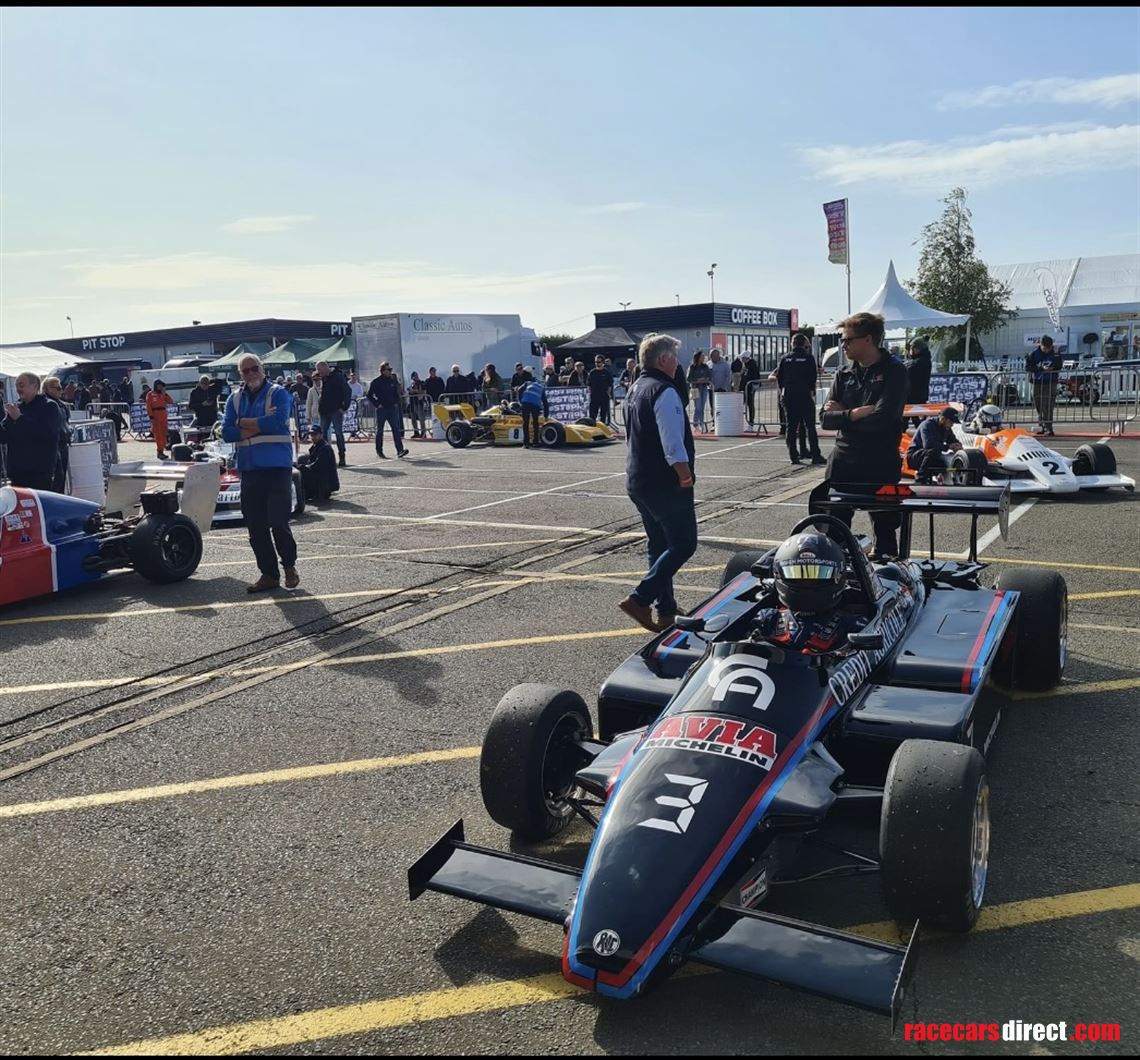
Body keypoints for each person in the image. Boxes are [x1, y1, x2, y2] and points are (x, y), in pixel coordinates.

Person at [620, 333, 696, 633]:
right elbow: (672, 443)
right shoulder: (664, 391)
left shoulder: (636, 387)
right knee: (684, 543)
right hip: (664, 482)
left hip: (638, 478)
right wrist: (685, 475)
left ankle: (665, 610)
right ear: (664, 359)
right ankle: (640, 598)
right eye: (675, 357)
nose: (678, 363)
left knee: (660, 543)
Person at [817, 312, 908, 559]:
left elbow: (882, 420)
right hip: (843, 462)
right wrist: (855, 414)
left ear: (868, 339)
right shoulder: (843, 374)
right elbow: (824, 419)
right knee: (833, 530)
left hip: (880, 461)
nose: (843, 345)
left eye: (848, 340)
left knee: (886, 532)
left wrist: (843, 417)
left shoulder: (894, 372)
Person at [221, 355, 300, 592]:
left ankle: (289, 566)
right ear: (240, 374)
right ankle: (269, 574)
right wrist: (257, 424)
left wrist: (243, 423)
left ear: (262, 369)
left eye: (254, 368)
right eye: (245, 371)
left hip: (277, 468)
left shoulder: (277, 393)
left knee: (278, 522)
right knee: (255, 527)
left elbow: (278, 423)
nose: (251, 373)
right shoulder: (234, 399)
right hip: (250, 469)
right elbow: (226, 432)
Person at [752, 532, 868, 653]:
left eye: (816, 576)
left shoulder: (852, 626)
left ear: (839, 576)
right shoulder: (767, 619)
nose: (806, 583)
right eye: (797, 575)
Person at [0, 372, 62, 490]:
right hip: (17, 473)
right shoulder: (17, 407)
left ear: (34, 386)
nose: (18, 389)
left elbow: (47, 434)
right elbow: (4, 436)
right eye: (17, 386)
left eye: (22, 385)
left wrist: (19, 419)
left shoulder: (49, 406)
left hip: (39, 473)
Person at [776, 334, 826, 466]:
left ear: (793, 344)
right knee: (810, 426)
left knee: (791, 426)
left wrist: (783, 391)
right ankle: (815, 455)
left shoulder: (785, 358)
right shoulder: (808, 358)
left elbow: (779, 378)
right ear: (805, 344)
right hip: (803, 394)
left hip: (789, 395)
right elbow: (812, 377)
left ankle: (793, 456)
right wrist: (810, 391)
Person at [905, 406, 963, 484]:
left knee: (945, 466)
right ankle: (920, 479)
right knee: (932, 452)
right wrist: (948, 447)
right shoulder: (927, 425)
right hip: (914, 456)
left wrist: (958, 446)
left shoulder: (947, 429)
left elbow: (954, 440)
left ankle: (946, 480)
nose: (952, 425)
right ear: (943, 419)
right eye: (951, 422)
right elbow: (928, 445)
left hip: (931, 456)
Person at [367, 360, 409, 459]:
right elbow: (369, 395)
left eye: (390, 369)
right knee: (380, 430)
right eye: (388, 369)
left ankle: (400, 450)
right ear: (383, 371)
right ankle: (379, 450)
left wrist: (396, 403)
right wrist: (377, 404)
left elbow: (396, 393)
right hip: (382, 409)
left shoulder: (392, 381)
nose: (390, 371)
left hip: (392, 409)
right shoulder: (376, 382)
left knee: (396, 429)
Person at [315, 359, 352, 467]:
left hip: (336, 410)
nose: (319, 372)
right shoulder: (322, 379)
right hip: (324, 410)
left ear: (326, 367)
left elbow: (347, 391)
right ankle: (326, 457)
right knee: (322, 434)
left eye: (320, 369)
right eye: (317, 370)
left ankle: (342, 456)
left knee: (339, 434)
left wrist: (345, 407)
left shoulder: (338, 377)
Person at [41, 376, 73, 493]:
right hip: (53, 444)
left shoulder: (62, 404)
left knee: (62, 476)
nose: (61, 390)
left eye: (61, 388)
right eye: (58, 388)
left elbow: (65, 422)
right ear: (47, 389)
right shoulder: (45, 404)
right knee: (57, 476)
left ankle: (60, 498)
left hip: (64, 442)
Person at [295, 422, 339, 503]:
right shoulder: (315, 447)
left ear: (321, 435)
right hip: (319, 478)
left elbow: (318, 466)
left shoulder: (325, 448)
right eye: (311, 435)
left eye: (315, 434)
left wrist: (301, 467)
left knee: (301, 469)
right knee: (301, 460)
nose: (313, 437)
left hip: (326, 483)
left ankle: (309, 491)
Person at [1026, 335, 1062, 436]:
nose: (1047, 350)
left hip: (1051, 382)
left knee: (1048, 405)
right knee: (1039, 405)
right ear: (1040, 345)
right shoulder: (1033, 354)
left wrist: (1053, 366)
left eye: (1049, 348)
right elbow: (1028, 367)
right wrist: (1040, 369)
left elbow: (1059, 366)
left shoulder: (1055, 354)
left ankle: (1048, 428)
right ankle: (1041, 425)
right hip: (1037, 382)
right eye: (1045, 348)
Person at [905, 337, 933, 428]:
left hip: (914, 396)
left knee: (908, 421)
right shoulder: (923, 360)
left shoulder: (921, 361)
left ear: (917, 349)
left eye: (912, 348)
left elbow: (909, 369)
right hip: (916, 396)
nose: (910, 351)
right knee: (915, 421)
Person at [146, 379, 176, 459]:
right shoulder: (150, 394)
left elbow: (170, 401)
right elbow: (148, 406)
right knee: (158, 434)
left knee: (164, 433)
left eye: (161, 386)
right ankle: (160, 451)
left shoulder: (163, 394)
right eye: (159, 385)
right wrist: (151, 416)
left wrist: (165, 394)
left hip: (163, 414)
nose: (160, 387)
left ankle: (162, 450)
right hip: (156, 414)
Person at [518, 370, 549, 448]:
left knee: (526, 423)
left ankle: (526, 443)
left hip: (525, 402)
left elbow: (519, 390)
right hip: (535, 404)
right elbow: (545, 403)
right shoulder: (541, 388)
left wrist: (521, 400)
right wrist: (546, 415)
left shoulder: (527, 383)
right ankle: (535, 442)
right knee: (535, 423)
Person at [686, 350, 711, 431]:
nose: (703, 358)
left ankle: (701, 423)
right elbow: (688, 378)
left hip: (704, 388)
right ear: (698, 357)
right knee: (698, 406)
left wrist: (706, 379)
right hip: (695, 388)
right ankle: (696, 423)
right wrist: (697, 380)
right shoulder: (692, 367)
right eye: (702, 356)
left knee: (702, 407)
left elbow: (709, 375)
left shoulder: (705, 366)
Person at [587, 355, 614, 424]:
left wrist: (608, 394)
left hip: (604, 396)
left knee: (603, 415)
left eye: (599, 362)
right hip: (594, 397)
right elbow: (589, 384)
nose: (597, 363)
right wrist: (590, 393)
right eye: (596, 362)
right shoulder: (592, 372)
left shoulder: (607, 372)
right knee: (592, 415)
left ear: (603, 362)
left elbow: (610, 385)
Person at [708, 347, 731, 417]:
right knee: (712, 406)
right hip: (711, 389)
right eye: (711, 356)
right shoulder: (708, 364)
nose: (712, 358)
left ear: (718, 356)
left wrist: (724, 387)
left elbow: (728, 376)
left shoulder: (725, 364)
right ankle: (713, 422)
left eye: (714, 356)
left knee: (721, 406)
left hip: (722, 389)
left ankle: (722, 421)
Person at [408, 372, 428, 438]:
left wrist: (416, 391)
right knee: (413, 419)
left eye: (415, 377)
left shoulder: (421, 383)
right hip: (412, 402)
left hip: (419, 402)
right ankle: (416, 432)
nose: (414, 378)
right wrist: (410, 391)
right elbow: (410, 391)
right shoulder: (412, 384)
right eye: (413, 377)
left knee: (421, 418)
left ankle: (423, 432)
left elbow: (424, 392)